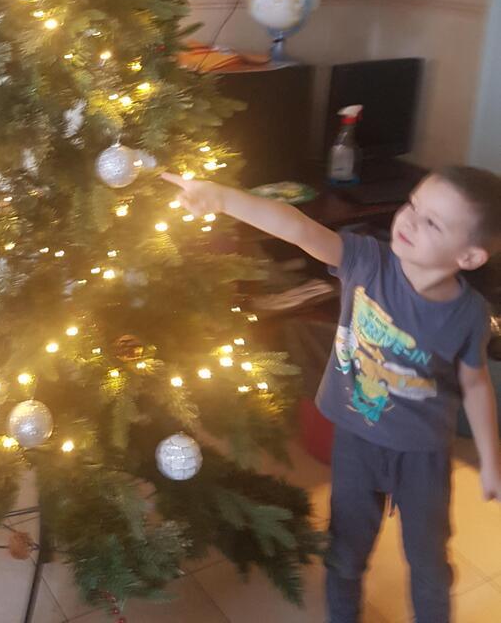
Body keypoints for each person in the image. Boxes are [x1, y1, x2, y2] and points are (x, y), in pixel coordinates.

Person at [162, 166, 501, 623]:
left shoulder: (469, 314)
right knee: (345, 550)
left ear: (470, 256)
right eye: (412, 205)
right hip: (357, 443)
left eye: (432, 223)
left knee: (428, 563)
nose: (408, 219)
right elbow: (296, 227)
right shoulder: (367, 260)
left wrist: (491, 461)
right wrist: (222, 199)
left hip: (423, 455)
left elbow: (475, 383)